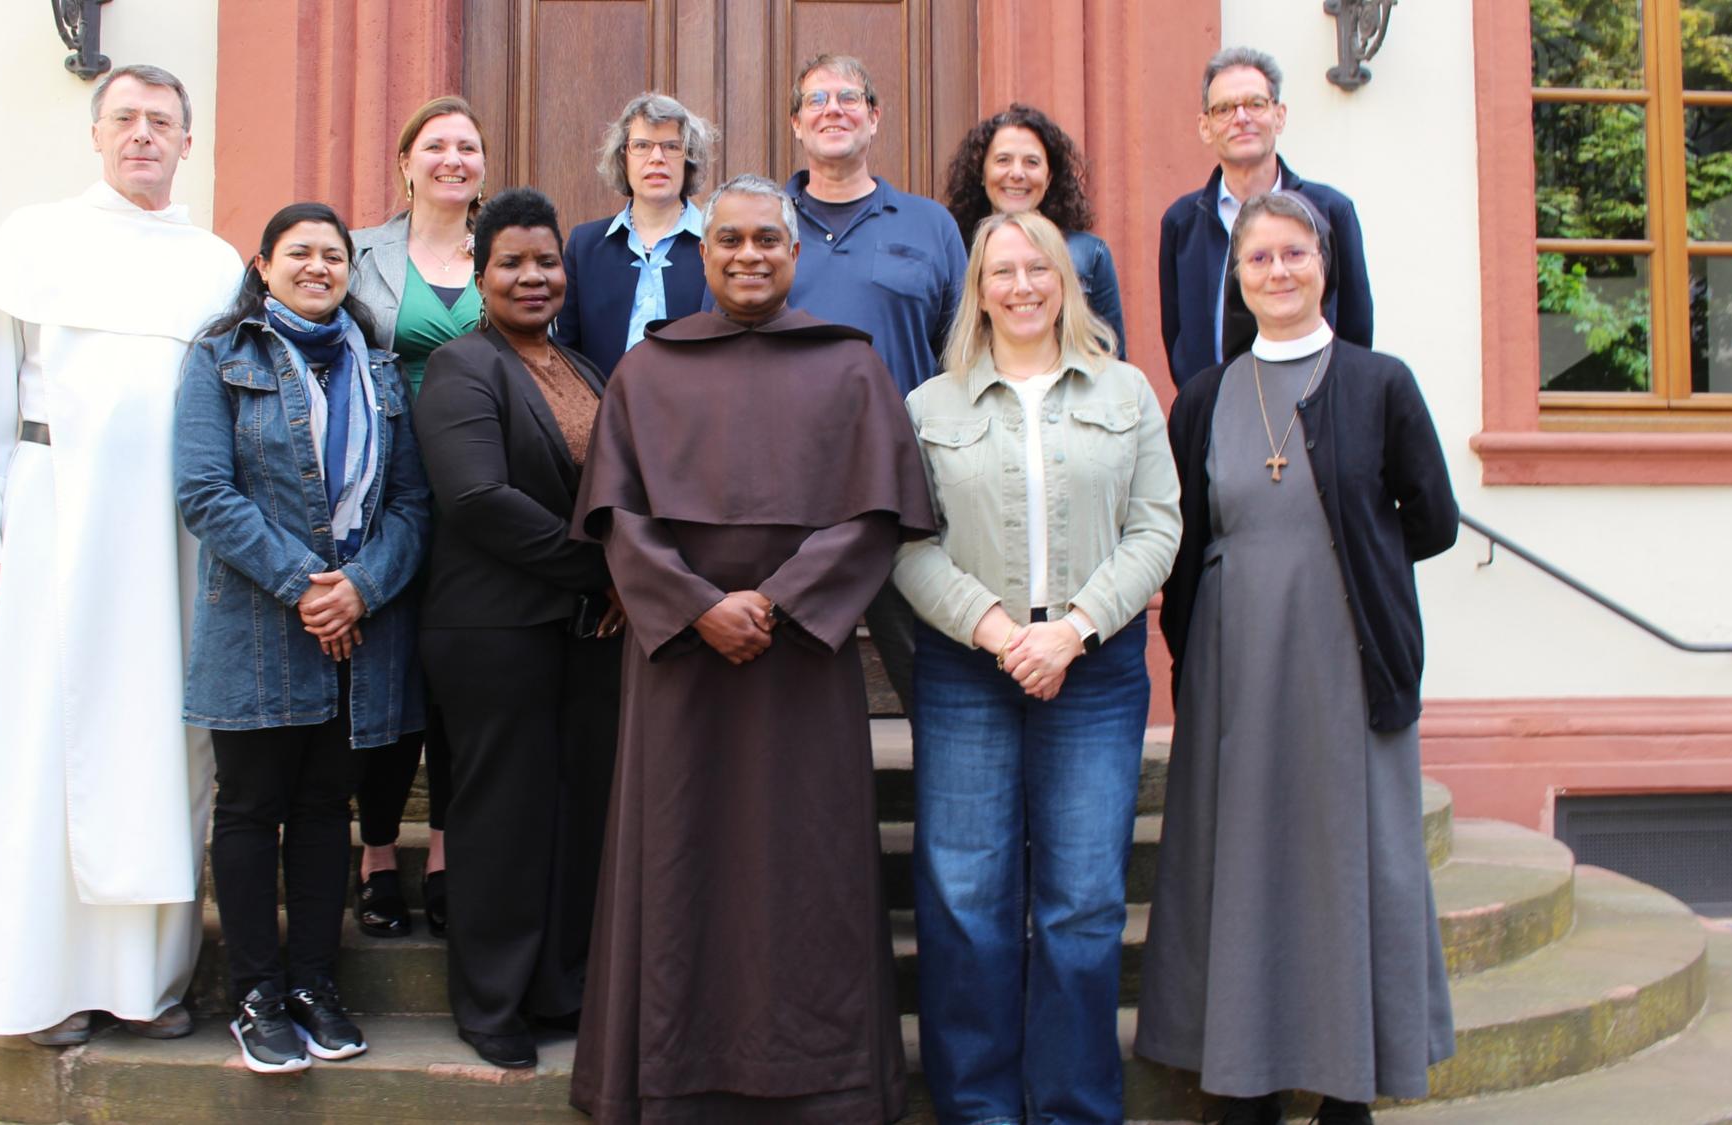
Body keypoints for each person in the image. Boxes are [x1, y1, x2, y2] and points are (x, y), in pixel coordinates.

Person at [568, 174, 935, 1124]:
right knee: (677, 858)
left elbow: (876, 515)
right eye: (729, 239)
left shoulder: (851, 367)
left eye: (767, 239)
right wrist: (697, 606)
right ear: (705, 253)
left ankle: (827, 1085)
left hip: (800, 659)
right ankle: (670, 1078)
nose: (747, 255)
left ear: (795, 252)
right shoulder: (646, 371)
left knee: (810, 868)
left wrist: (777, 602)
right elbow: (617, 518)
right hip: (682, 662)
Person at [0, 63, 242, 1046]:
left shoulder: (214, 263)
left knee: (162, 753)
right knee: (44, 751)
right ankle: (40, 989)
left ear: (187, 142)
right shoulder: (34, 239)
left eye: (162, 121)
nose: (143, 134)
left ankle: (144, 985)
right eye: (126, 119)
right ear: (97, 134)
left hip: (170, 545)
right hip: (51, 526)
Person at [1134, 191, 1457, 1125]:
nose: (1278, 271)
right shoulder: (1204, 398)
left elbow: (1431, 520)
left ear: (1325, 267)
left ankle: (1347, 1086)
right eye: (1258, 258)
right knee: (1239, 859)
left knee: (1347, 859)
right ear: (1236, 279)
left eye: (1294, 254)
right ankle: (1246, 1081)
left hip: (1347, 659)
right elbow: (1183, 535)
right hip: (1236, 662)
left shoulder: (1381, 383)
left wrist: (1341, 562)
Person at [895, 210, 1180, 1124]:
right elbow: (907, 544)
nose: (1021, 286)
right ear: (977, 291)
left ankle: (1071, 1106)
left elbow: (1157, 526)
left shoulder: (1127, 391)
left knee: (1083, 900)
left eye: (1038, 268)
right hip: (967, 669)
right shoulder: (930, 406)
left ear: (1066, 280)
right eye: (1002, 271)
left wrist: (1074, 631)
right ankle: (978, 1105)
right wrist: (996, 632)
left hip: (1093, 671)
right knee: (965, 895)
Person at [175, 202, 430, 1073]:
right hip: (256, 626)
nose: (318, 266)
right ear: (263, 266)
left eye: (334, 255)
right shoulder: (219, 357)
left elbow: (411, 505)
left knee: (326, 811)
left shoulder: (380, 370)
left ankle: (317, 985)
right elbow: (205, 492)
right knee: (250, 809)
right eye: (300, 253)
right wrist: (305, 586)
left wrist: (360, 588)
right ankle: (257, 995)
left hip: (356, 629)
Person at [411, 188, 624, 1071]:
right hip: (493, 631)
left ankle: (557, 987)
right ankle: (491, 1001)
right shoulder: (462, 367)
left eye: (546, 261)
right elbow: (478, 499)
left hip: (583, 635)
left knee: (575, 811)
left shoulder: (584, 369)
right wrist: (606, 570)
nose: (533, 276)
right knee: (502, 817)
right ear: (479, 274)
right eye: (512, 262)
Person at [346, 94, 493, 941]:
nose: (451, 159)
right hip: (381, 492)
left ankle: (444, 853)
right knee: (386, 672)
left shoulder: (502, 250)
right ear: (406, 162)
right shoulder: (358, 252)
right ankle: (374, 855)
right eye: (435, 145)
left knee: (458, 678)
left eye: (466, 146)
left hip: (478, 489)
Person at [782, 52, 966, 714]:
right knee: (784, 662)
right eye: (816, 99)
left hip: (902, 481)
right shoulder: (762, 224)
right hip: (788, 484)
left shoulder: (930, 224)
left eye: (849, 97)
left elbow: (963, 355)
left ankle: (951, 780)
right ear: (796, 123)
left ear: (875, 116)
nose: (833, 109)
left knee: (930, 664)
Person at [1158, 46, 1373, 388]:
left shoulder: (1330, 212)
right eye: (1224, 109)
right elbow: (1178, 339)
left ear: (1279, 115)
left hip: (1314, 407)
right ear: (1205, 126)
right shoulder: (1182, 223)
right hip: (1217, 412)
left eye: (1255, 104)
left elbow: (1355, 330)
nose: (1241, 118)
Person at [942, 103, 1128, 358]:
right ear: (982, 173)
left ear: (1049, 177)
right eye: (1003, 160)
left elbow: (1111, 357)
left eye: (1031, 162)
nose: (1017, 173)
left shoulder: (1089, 254)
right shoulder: (954, 252)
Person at [553, 92, 717, 378]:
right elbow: (566, 356)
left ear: (688, 159)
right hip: (604, 405)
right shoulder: (585, 247)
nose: (657, 158)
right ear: (623, 158)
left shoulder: (717, 244)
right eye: (642, 146)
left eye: (671, 146)